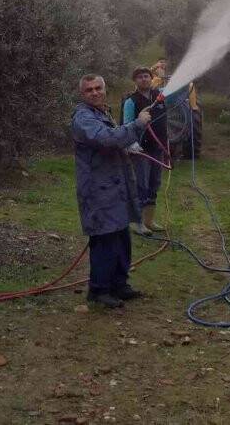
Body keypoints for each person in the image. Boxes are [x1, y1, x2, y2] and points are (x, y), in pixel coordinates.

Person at [71, 74, 151, 309]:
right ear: (82, 94)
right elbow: (105, 139)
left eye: (98, 88)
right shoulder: (83, 118)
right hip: (98, 191)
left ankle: (119, 285)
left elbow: (113, 141)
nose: (95, 92)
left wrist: (129, 144)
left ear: (104, 90)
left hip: (114, 188)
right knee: (105, 239)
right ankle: (99, 290)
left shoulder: (101, 113)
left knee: (121, 237)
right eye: (89, 90)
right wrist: (137, 124)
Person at [121, 67, 167, 234]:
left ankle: (149, 220)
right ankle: (136, 222)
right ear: (135, 81)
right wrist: (131, 143)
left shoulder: (160, 96)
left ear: (151, 78)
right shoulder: (131, 101)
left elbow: (179, 95)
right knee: (141, 185)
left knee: (154, 183)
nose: (144, 79)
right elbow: (127, 124)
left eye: (146, 76)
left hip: (157, 147)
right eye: (140, 77)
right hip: (141, 150)